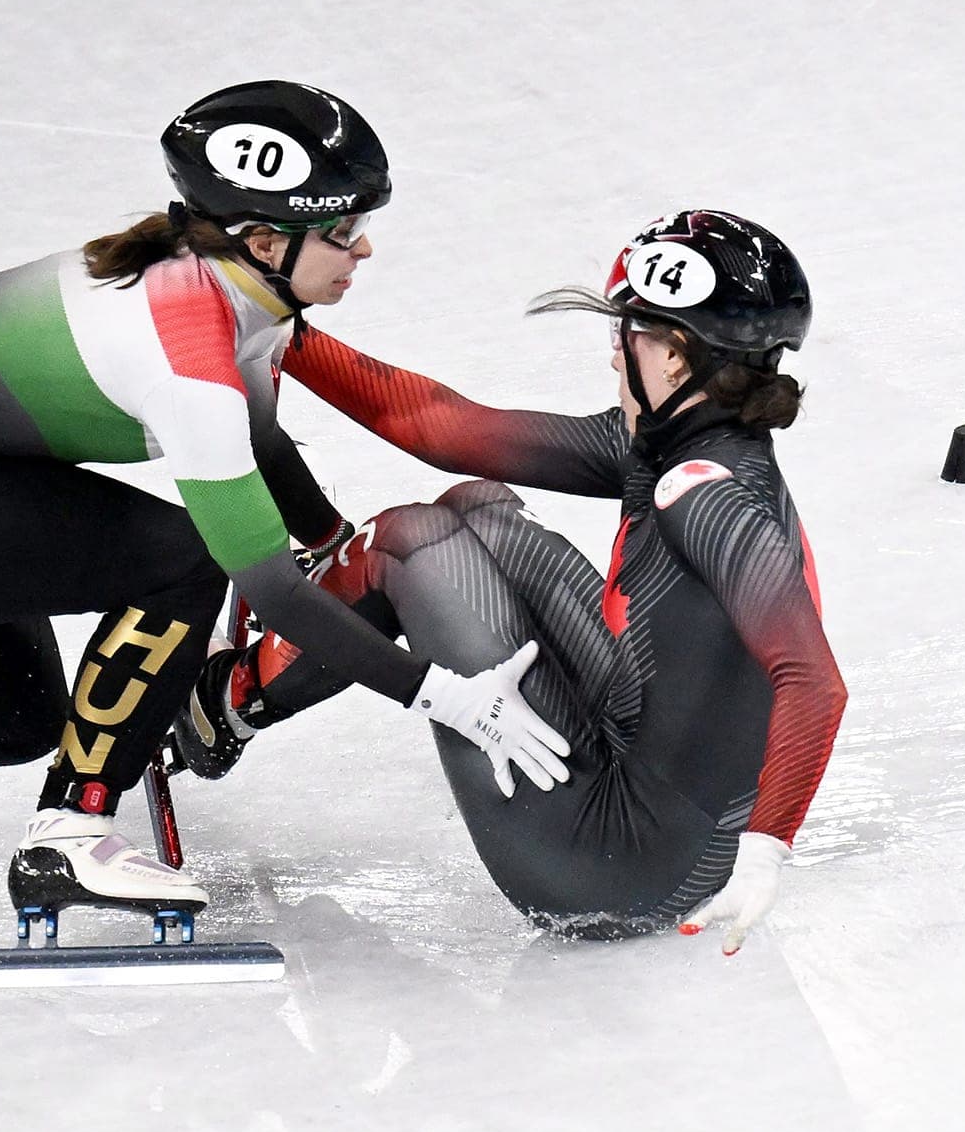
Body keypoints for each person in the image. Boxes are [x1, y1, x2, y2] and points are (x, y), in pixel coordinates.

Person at [0, 80, 569, 926]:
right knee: (185, 559)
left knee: (15, 717)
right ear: (262, 241)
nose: (364, 246)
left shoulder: (234, 294)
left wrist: (330, 538)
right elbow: (272, 591)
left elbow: (283, 438)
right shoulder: (186, 351)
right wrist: (445, 695)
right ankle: (69, 839)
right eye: (342, 230)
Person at [170, 210, 846, 950]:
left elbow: (814, 681)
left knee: (406, 541)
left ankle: (225, 709)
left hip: (616, 870)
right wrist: (275, 325)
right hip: (651, 781)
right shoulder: (675, 441)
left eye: (626, 335)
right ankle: (307, 632)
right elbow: (445, 428)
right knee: (476, 508)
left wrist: (766, 851)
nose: (615, 358)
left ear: (677, 358)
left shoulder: (703, 492)